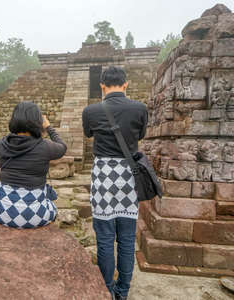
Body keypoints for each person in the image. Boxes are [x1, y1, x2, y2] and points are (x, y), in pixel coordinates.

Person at [82, 66, 148, 300]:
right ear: (126, 84)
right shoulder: (140, 108)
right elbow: (139, 136)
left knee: (105, 237)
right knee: (128, 239)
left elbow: (89, 133)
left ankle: (106, 289)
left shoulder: (91, 111)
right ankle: (122, 291)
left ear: (102, 86)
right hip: (128, 176)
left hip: (103, 177)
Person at [0, 101, 67, 229]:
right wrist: (48, 127)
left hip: (0, 210)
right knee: (52, 206)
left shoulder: (1, 144)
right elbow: (63, 147)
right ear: (37, 121)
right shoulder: (45, 146)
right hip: (33, 215)